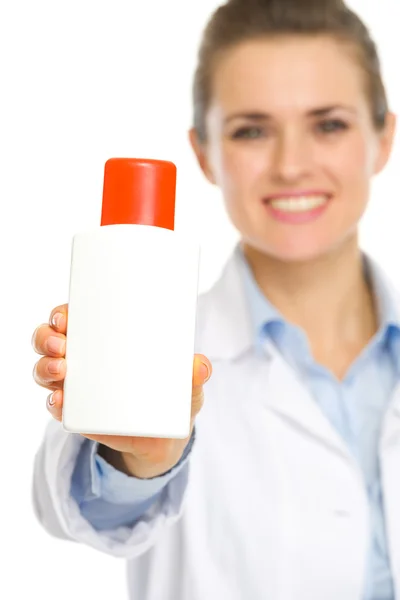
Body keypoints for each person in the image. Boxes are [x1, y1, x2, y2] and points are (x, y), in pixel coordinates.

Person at [30, 0, 400, 598]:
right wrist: (143, 458)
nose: (291, 165)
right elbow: (87, 512)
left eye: (328, 124)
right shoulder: (153, 345)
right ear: (204, 153)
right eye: (251, 130)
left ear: (383, 138)